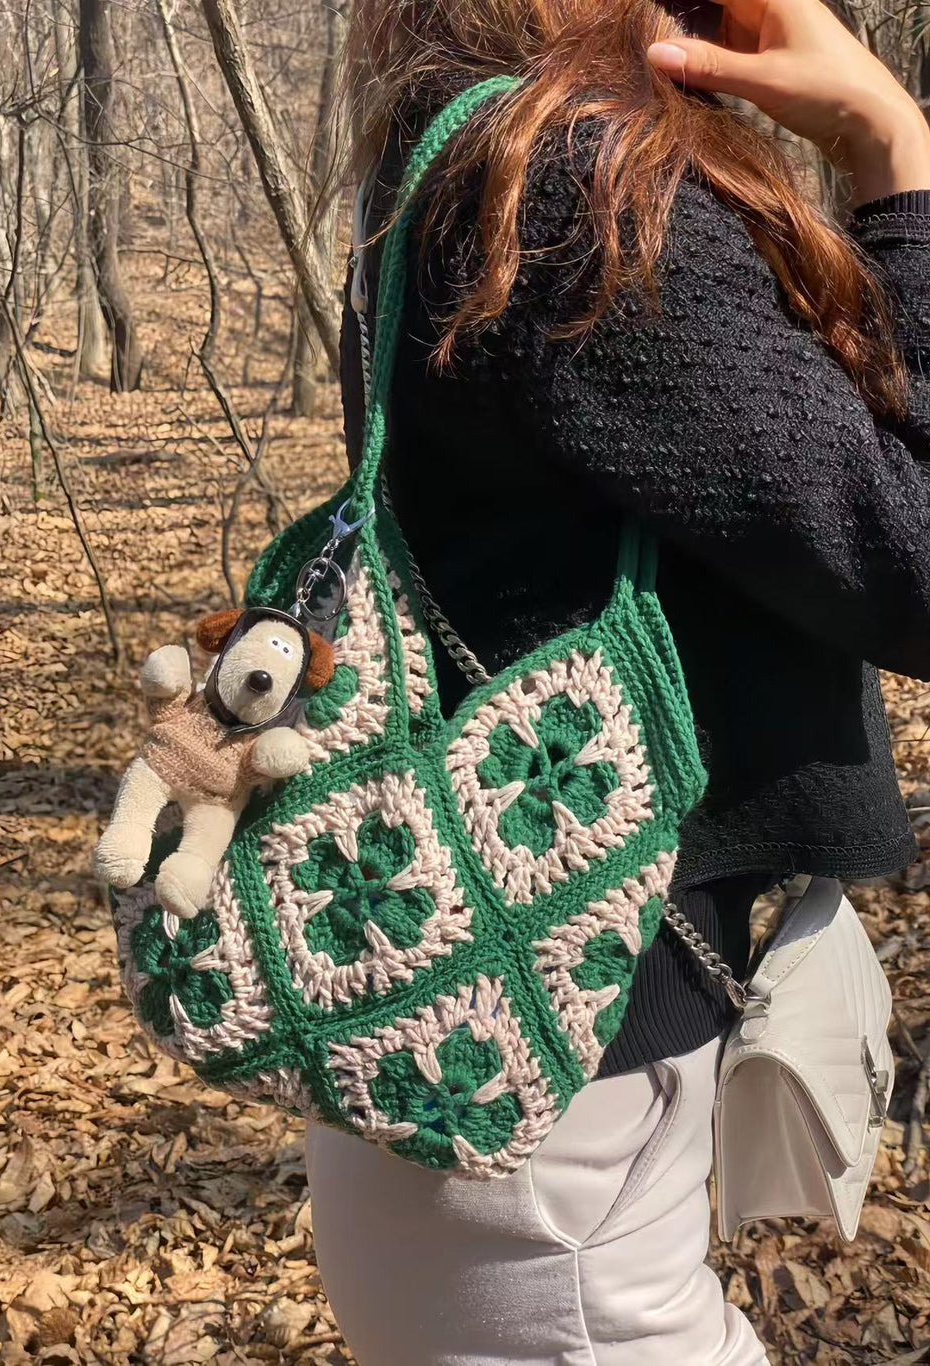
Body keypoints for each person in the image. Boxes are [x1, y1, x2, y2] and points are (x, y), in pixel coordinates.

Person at [304, 0, 930, 1360]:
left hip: (474, 1060)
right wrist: (894, 155)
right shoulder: (571, 189)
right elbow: (913, 555)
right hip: (542, 1144)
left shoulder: (460, 139)